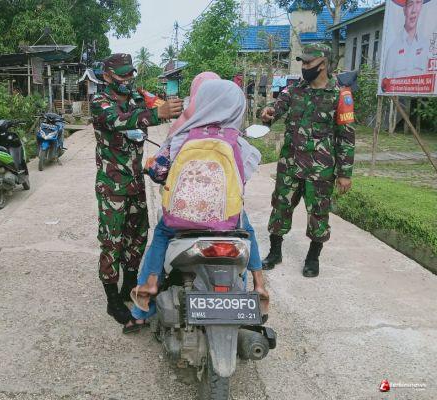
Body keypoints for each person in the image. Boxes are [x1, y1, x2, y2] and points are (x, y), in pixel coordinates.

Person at [124, 77, 270, 333]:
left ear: (200, 102)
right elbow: (242, 179)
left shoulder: (181, 138)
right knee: (247, 232)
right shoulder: (240, 144)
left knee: (161, 234)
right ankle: (258, 285)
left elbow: (158, 172)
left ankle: (147, 294)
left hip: (181, 219)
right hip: (226, 220)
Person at [90, 53, 183, 328]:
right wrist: (155, 114)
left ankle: (129, 285)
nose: (128, 79)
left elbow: (160, 108)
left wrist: (172, 108)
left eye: (131, 74)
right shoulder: (100, 103)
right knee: (112, 241)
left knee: (138, 237)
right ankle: (112, 300)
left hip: (135, 183)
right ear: (107, 76)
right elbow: (119, 120)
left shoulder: (136, 97)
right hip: (112, 186)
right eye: (122, 75)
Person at [260, 43, 355, 278]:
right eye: (302, 62)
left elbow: (346, 136)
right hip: (290, 165)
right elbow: (275, 109)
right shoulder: (294, 90)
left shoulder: (340, 95)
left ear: (323, 64)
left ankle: (313, 258)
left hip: (320, 169)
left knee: (318, 213)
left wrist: (345, 173)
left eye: (308, 62)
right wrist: (268, 113)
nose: (304, 66)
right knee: (280, 207)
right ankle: (275, 252)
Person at [383, 0, 430, 79]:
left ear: (421, 6)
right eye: (410, 4)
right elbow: (386, 82)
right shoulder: (393, 48)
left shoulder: (426, 46)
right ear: (404, 10)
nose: (414, 10)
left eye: (418, 3)